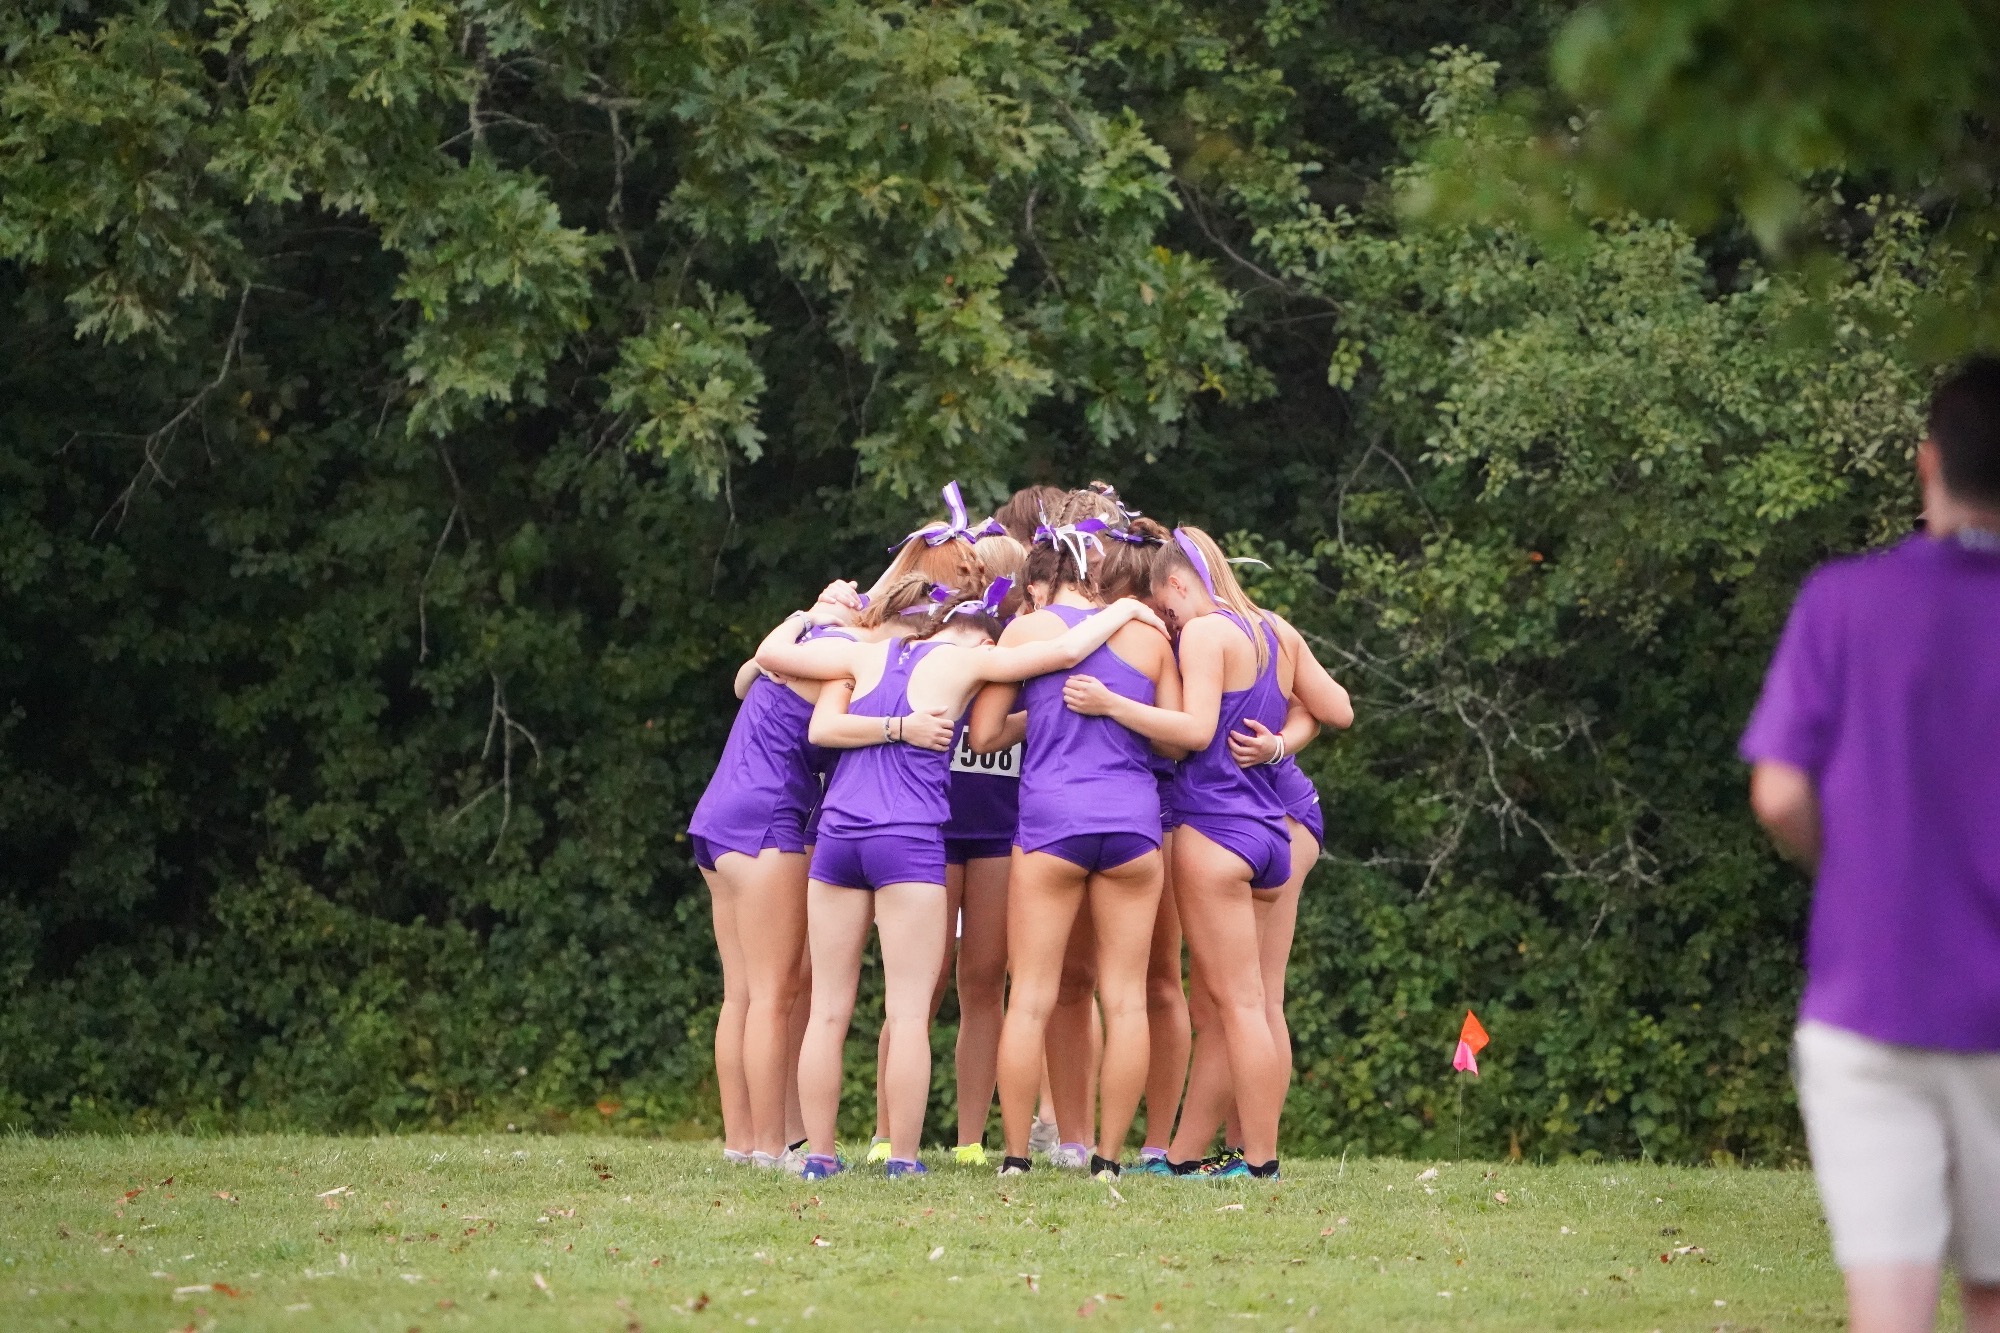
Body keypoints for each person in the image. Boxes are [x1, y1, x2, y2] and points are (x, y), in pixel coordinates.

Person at [1742, 357, 2000, 1333]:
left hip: (1867, 1001)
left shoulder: (1842, 600)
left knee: (1887, 1312)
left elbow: (1775, 795)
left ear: (1926, 461)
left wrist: (1850, 871)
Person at [755, 576, 1166, 1181]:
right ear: (979, 639)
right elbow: (1061, 654)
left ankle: (818, 1156)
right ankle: (902, 1159)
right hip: (909, 841)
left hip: (839, 840)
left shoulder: (863, 653)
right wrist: (1124, 609)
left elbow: (769, 656)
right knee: (909, 1010)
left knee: (827, 1011)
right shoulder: (970, 664)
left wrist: (802, 612)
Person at [692, 494, 983, 1170]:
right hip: (770, 816)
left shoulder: (828, 636)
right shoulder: (862, 646)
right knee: (773, 992)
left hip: (720, 812)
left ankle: (742, 1141)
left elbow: (747, 677)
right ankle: (770, 1145)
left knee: (743, 992)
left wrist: (809, 616)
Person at [1064, 526, 1349, 1179]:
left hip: (1214, 828)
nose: (1169, 619)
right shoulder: (1275, 629)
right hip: (1272, 834)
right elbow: (1338, 708)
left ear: (1177, 582)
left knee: (1236, 1005)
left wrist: (1111, 704)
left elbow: (1191, 731)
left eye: (1168, 606)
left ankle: (1260, 1161)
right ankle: (1211, 1155)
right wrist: (1278, 744)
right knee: (1249, 1002)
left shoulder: (1203, 633)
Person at [973, 491, 1184, 1180]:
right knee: (1123, 998)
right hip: (1131, 825)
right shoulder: (1151, 635)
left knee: (1029, 994)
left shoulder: (1028, 634)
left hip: (1050, 824)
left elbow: (981, 735)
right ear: (1097, 571)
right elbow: (1178, 743)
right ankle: (1110, 1159)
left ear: (1041, 578)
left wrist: (1040, 710)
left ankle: (1013, 1157)